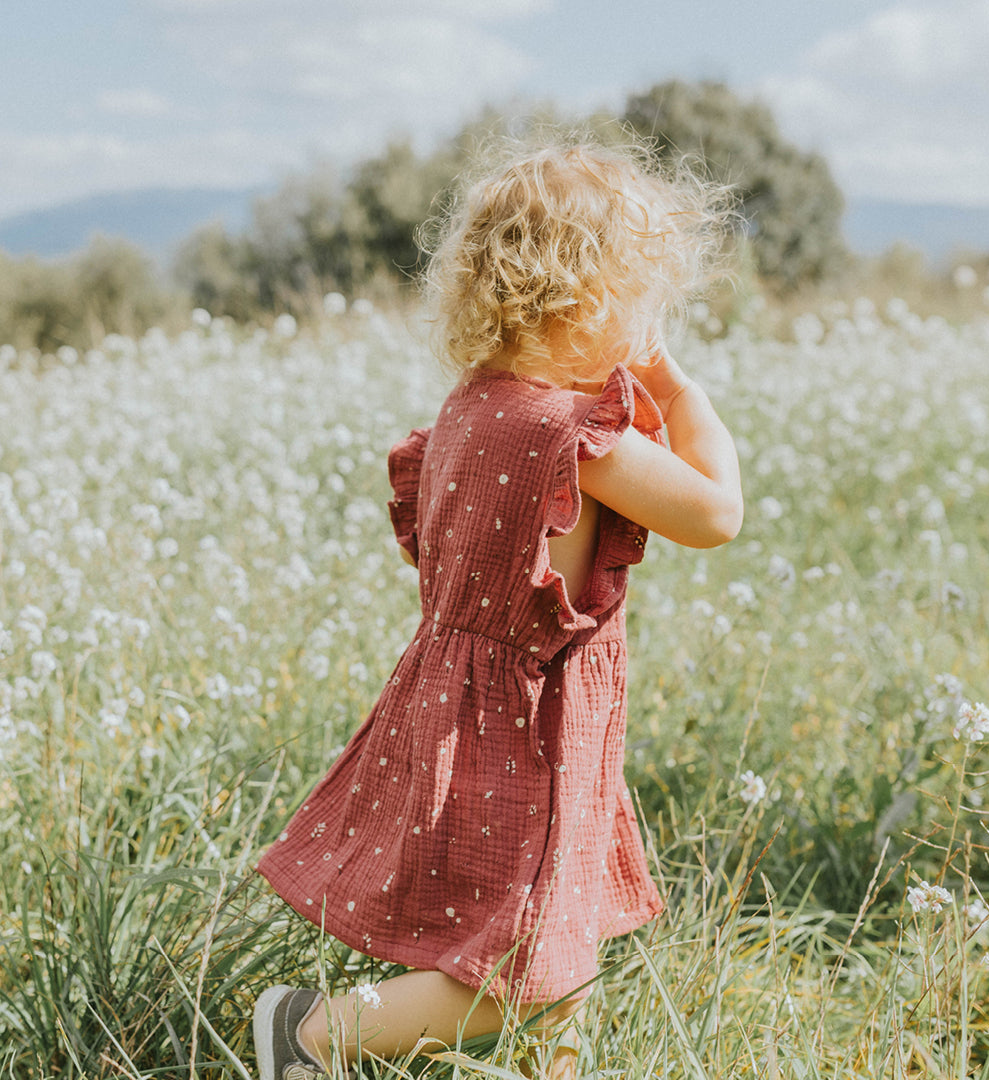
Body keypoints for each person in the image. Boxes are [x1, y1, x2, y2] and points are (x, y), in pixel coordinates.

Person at [253, 136, 743, 1080]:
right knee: (530, 968)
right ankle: (309, 1034)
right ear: (592, 299)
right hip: (534, 725)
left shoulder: (471, 410)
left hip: (465, 706)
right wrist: (680, 388)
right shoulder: (576, 437)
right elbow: (716, 512)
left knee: (564, 944)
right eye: (645, 302)